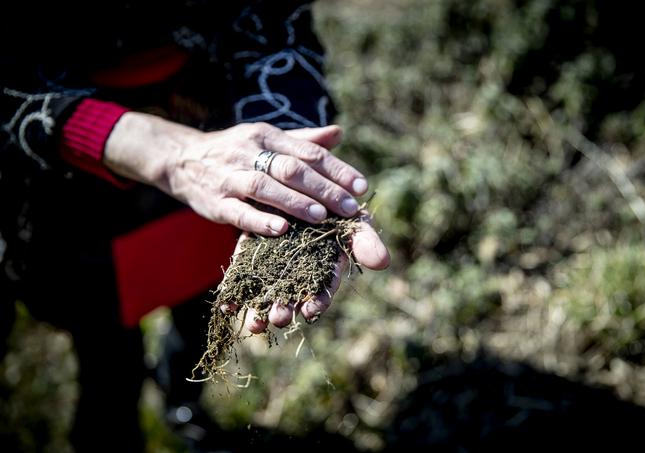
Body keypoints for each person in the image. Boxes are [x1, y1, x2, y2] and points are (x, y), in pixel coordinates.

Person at [0, 1, 390, 452]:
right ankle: (114, 427)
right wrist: (161, 152)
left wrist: (284, 148)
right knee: (106, 347)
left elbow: (277, 25)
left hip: (218, 155)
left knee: (201, 303)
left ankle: (181, 404)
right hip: (71, 181)